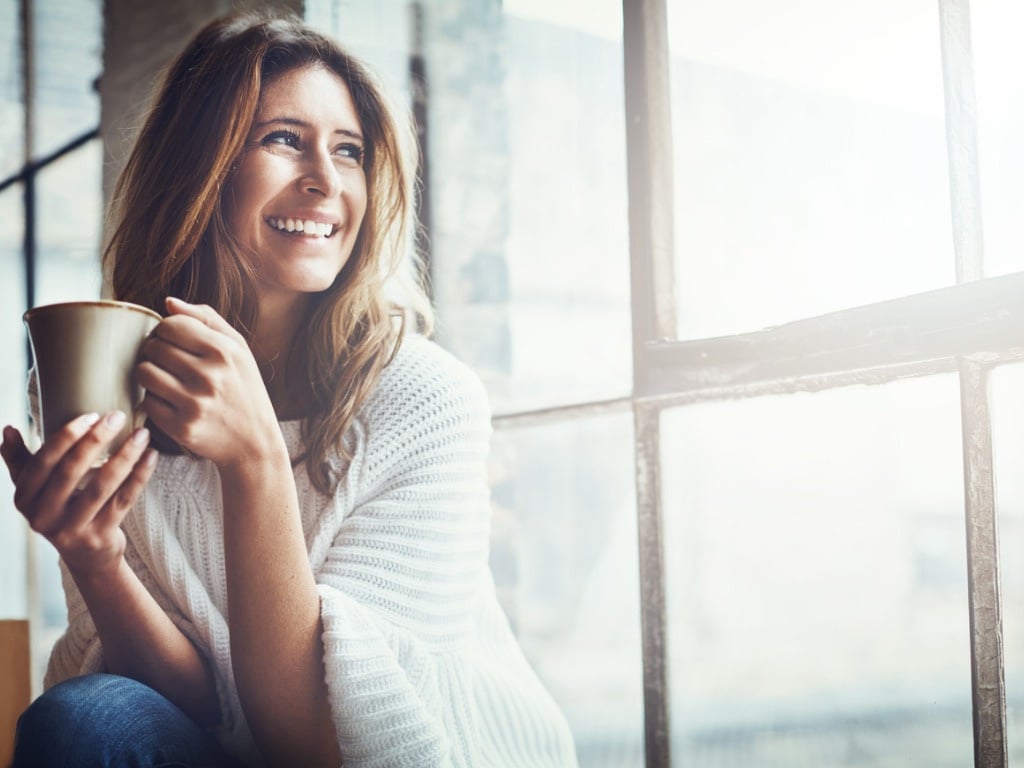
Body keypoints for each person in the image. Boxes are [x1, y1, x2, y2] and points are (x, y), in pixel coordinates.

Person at [1, 11, 578, 768]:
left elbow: (319, 745)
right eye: (282, 139)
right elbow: (198, 709)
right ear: (197, 169)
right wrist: (96, 556)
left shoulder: (425, 400)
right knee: (86, 718)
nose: (326, 180)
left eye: (349, 151)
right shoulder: (118, 392)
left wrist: (256, 461)